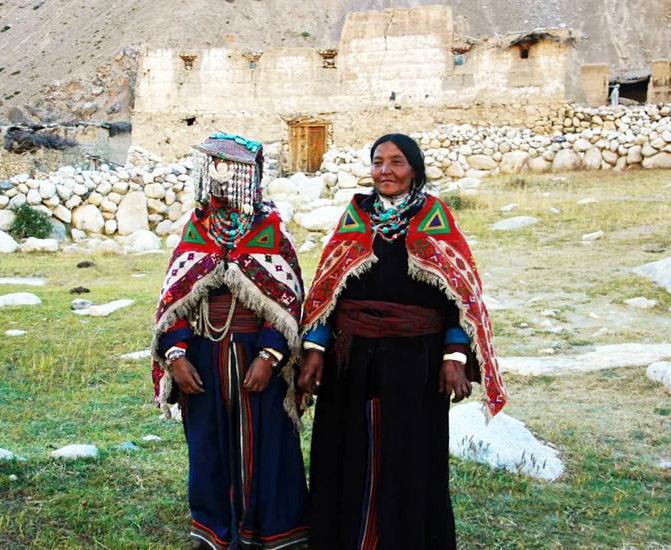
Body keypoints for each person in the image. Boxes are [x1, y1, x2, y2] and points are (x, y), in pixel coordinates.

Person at [298, 133, 507, 550]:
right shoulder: (356, 215)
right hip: (351, 358)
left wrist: (455, 354)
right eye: (378, 162)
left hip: (417, 359)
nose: (385, 170)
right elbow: (327, 291)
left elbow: (460, 296)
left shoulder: (434, 216)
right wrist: (315, 349)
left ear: (414, 169)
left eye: (396, 162)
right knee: (345, 448)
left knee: (411, 453)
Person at [151, 133, 309, 550]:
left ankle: (273, 531)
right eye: (214, 165)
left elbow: (288, 299)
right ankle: (214, 530)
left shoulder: (269, 227)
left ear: (250, 173)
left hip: (258, 358)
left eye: (230, 167)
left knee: (267, 445)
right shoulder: (196, 226)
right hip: (201, 356)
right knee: (207, 446)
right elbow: (173, 298)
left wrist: (270, 355)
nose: (220, 176)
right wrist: (176, 354)